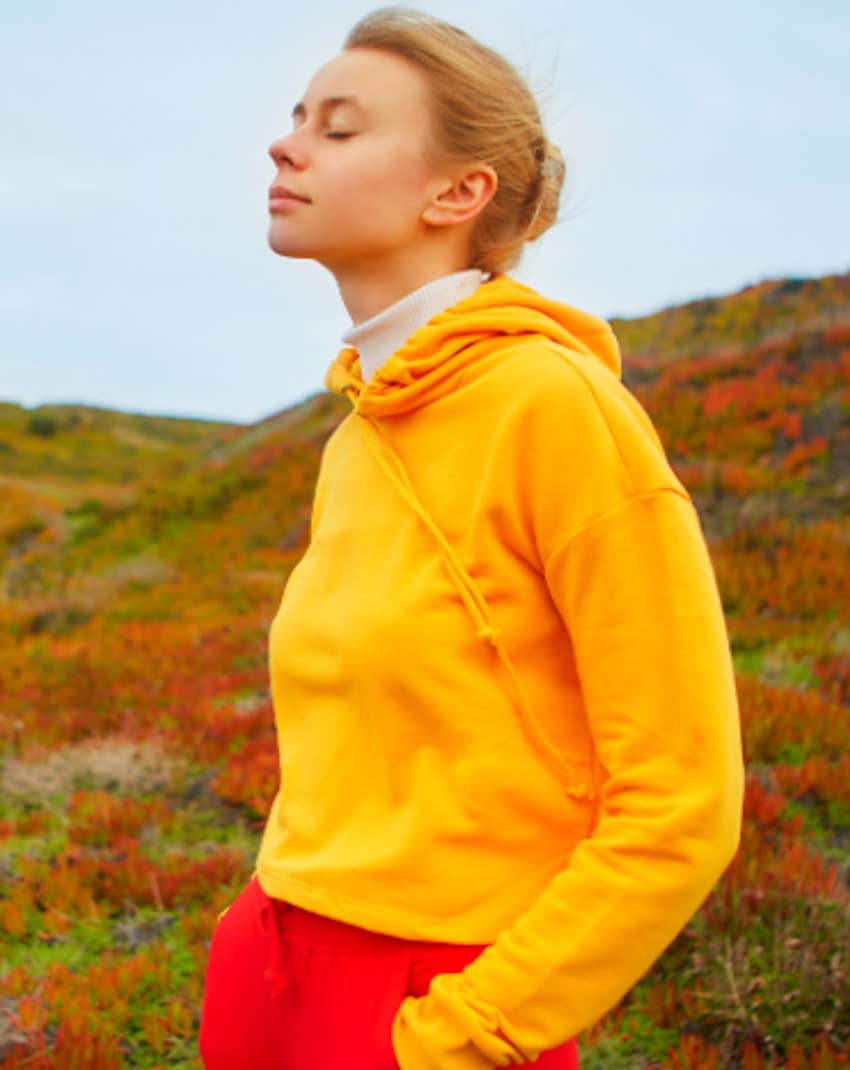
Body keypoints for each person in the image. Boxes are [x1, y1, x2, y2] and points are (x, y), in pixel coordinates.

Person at [198, 7, 745, 1069]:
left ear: (457, 194)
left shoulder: (554, 407)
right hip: (270, 956)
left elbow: (684, 803)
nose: (285, 141)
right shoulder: (361, 430)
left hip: (434, 1002)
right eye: (296, 115)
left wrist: (454, 1033)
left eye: (341, 127)